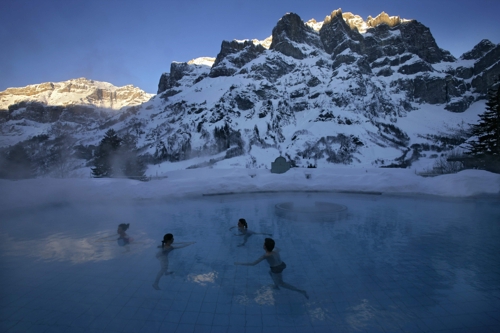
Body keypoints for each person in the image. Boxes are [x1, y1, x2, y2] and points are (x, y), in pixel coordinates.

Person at [234, 238, 309, 299]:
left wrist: (239, 263)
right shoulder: (275, 251)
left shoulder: (266, 255)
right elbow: (280, 248)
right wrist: (272, 244)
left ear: (265, 247)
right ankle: (275, 286)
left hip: (276, 269)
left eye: (264, 244)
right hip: (281, 265)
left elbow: (253, 264)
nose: (263, 244)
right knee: (270, 272)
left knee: (281, 283)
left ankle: (301, 291)